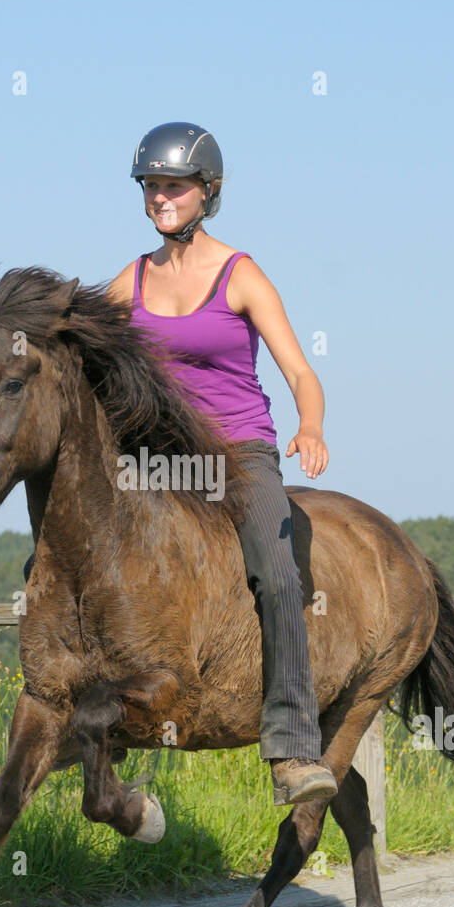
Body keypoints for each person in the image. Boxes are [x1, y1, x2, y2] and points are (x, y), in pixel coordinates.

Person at [104, 121, 338, 807]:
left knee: (277, 569)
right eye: (150, 186)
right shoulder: (132, 280)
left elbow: (300, 371)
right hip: (161, 462)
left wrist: (313, 425)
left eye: (172, 185)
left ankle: (294, 747)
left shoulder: (241, 274)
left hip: (239, 454)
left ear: (207, 192)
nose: (159, 196)